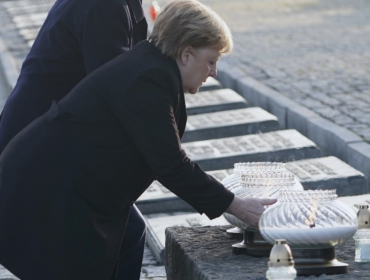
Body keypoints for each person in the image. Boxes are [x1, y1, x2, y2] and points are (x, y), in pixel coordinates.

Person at [0, 0, 277, 279]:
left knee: (122, 240)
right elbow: (170, 163)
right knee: (103, 249)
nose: (214, 72)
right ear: (186, 54)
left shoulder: (151, 66)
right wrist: (238, 206)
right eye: (211, 61)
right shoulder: (144, 75)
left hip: (66, 171)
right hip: (49, 177)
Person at [0, 0, 148, 278]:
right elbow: (115, 88)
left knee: (123, 234)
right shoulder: (104, 6)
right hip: (40, 148)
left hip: (56, 142)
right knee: (121, 233)